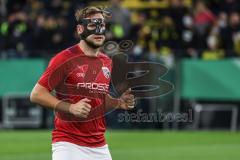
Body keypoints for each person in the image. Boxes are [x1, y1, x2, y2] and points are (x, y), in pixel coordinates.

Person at [30, 6, 135, 160]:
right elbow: (37, 94)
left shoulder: (106, 61)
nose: (99, 31)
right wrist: (71, 108)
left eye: (102, 25)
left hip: (100, 146)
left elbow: (96, 96)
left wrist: (117, 103)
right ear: (80, 29)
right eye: (92, 25)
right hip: (68, 144)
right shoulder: (64, 58)